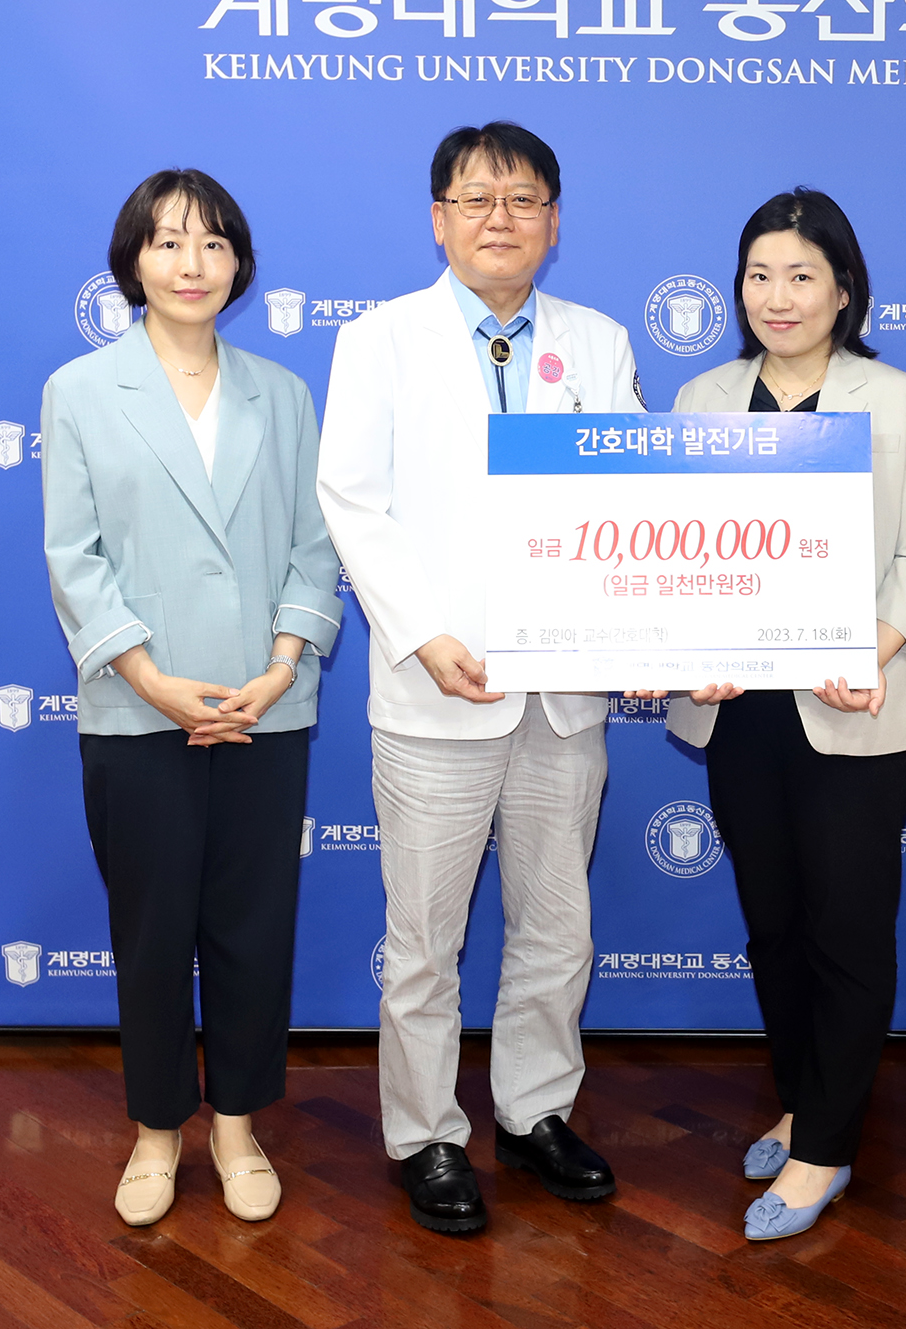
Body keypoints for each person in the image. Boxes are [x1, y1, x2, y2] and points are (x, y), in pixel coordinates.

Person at [315, 121, 642, 1236]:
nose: (500, 218)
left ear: (554, 219)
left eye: (523, 199)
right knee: (426, 937)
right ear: (439, 217)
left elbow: (637, 499)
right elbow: (351, 499)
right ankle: (425, 1134)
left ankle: (535, 1110)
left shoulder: (597, 342)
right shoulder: (381, 340)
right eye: (475, 199)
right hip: (435, 689)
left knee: (557, 923)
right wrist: (421, 632)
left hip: (563, 692)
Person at [41, 169, 343, 1228]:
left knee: (256, 930)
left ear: (239, 264)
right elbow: (73, 558)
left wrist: (276, 667)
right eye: (168, 243)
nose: (191, 264)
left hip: (267, 706)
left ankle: (241, 1128)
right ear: (133, 261)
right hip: (139, 711)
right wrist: (151, 679)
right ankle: (158, 1131)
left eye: (213, 244)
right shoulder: (80, 391)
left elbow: (315, 552)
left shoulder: (284, 392)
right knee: (156, 932)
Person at [665, 188, 906, 1242]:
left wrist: (860, 646)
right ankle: (802, 1099)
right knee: (776, 925)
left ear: (844, 289)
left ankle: (826, 1147)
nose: (777, 296)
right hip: (740, 715)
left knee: (845, 928)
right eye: (759, 274)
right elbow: (672, 556)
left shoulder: (895, 397)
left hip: (853, 711)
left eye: (800, 276)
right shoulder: (703, 398)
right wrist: (683, 651)